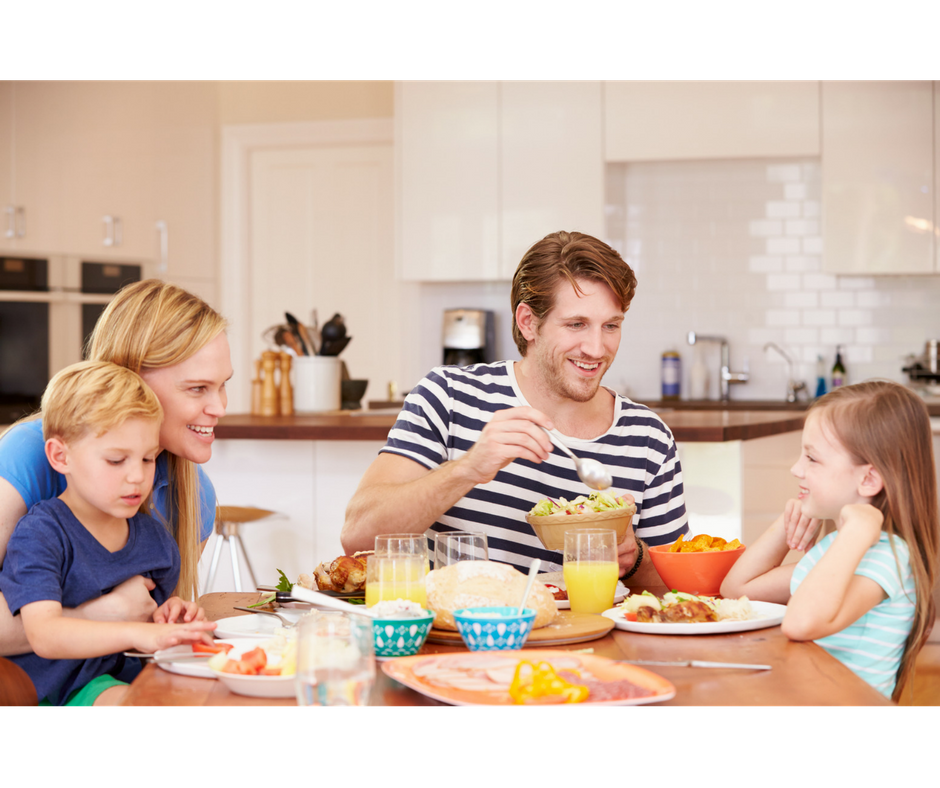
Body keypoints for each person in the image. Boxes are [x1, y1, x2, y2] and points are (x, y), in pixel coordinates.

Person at [343, 230, 688, 581]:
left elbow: (679, 590)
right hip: (461, 631)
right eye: (576, 324)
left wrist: (635, 558)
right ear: (528, 322)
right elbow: (357, 537)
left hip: (593, 634)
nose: (597, 349)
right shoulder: (448, 397)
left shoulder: (648, 438)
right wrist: (468, 469)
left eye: (611, 326)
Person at [0, 279, 232, 656]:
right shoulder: (29, 453)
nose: (220, 407)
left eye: (222, 385)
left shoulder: (194, 493)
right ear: (134, 378)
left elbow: (153, 626)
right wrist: (105, 615)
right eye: (197, 388)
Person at [0, 362, 217, 707]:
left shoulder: (156, 541)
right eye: (116, 461)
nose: (136, 477)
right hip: (57, 689)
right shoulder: (41, 534)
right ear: (60, 456)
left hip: (120, 676)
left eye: (147, 459)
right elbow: (45, 634)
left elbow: (151, 619)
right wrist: (139, 631)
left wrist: (171, 615)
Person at [720, 381, 939, 700]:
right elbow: (737, 591)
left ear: (868, 479)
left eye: (812, 458)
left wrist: (856, 531)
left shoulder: (888, 557)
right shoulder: (836, 546)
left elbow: (801, 624)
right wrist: (787, 524)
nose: (796, 469)